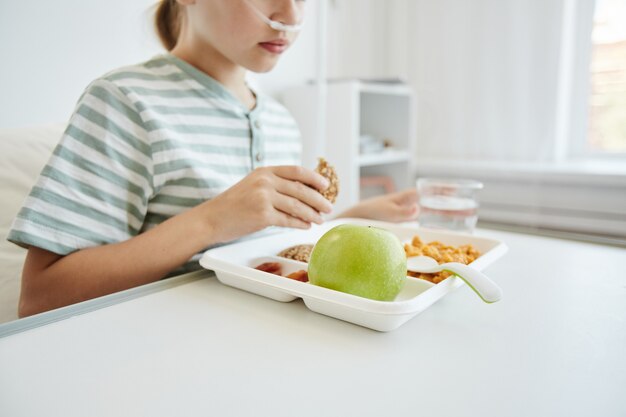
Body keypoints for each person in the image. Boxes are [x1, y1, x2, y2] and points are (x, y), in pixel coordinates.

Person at [8, 0, 418, 317]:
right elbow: (41, 297)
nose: (289, 16)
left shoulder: (280, 121)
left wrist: (348, 221)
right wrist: (212, 220)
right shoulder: (126, 102)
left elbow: (262, 249)